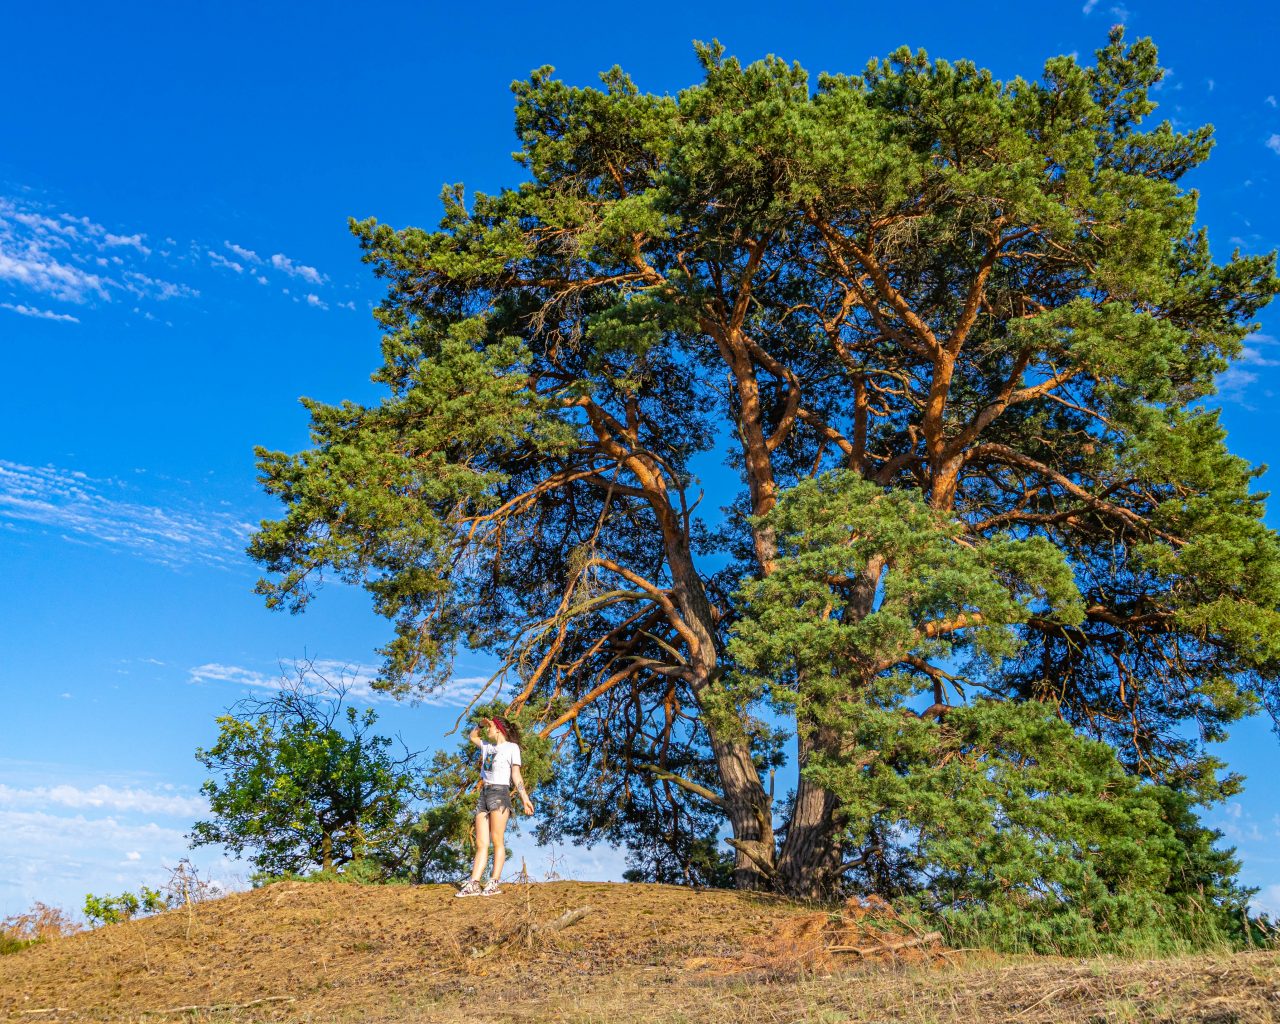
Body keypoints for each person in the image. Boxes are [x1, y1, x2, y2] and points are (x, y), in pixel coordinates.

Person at [456, 716, 533, 897]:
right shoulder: (487, 747)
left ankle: (493, 882)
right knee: (481, 843)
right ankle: (474, 883)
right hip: (484, 794)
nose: (487, 730)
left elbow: (516, 775)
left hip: (500, 794)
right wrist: (480, 724)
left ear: (498, 728)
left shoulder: (511, 748)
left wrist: (524, 797)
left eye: (490, 727)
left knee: (497, 840)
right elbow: (473, 737)